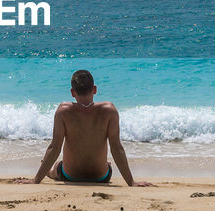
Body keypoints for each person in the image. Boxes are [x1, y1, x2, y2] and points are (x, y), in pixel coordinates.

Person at [22, 70, 151, 187]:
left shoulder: (63, 111)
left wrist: (36, 180)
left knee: (57, 168)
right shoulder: (109, 110)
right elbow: (117, 148)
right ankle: (104, 164)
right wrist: (131, 182)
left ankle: (49, 172)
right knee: (106, 164)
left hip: (70, 176)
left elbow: (54, 148)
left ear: (72, 92)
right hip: (102, 177)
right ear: (94, 89)